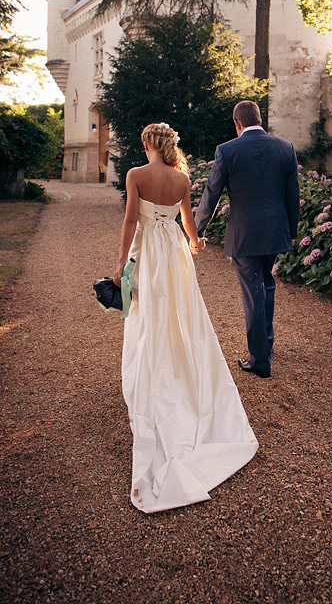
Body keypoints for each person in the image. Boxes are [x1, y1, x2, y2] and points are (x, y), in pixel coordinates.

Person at [114, 122, 258, 514]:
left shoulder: (135, 175)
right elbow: (187, 220)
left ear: (148, 143)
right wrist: (194, 242)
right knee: (181, 314)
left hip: (149, 252)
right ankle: (181, 370)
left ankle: (156, 373)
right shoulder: (181, 178)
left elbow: (131, 221)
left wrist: (119, 264)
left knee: (150, 315)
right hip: (175, 252)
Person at [195, 101, 300, 379]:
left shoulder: (228, 150)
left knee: (253, 291)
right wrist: (292, 230)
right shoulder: (285, 147)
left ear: (237, 123)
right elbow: (293, 195)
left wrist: (197, 231)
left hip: (244, 235)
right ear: (259, 119)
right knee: (266, 284)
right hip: (276, 231)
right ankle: (266, 343)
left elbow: (211, 193)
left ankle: (260, 361)